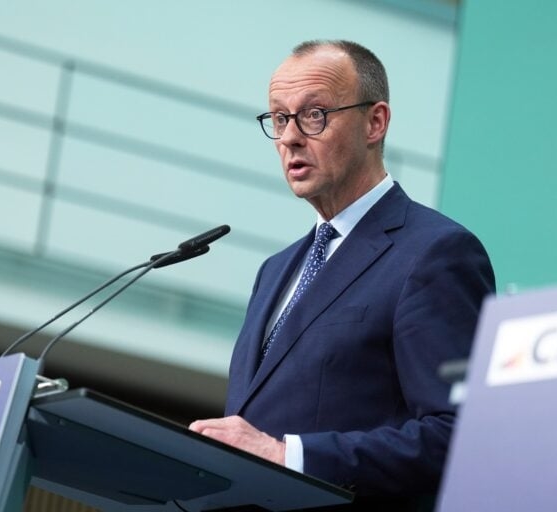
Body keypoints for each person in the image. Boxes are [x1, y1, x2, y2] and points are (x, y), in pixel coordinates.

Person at [190, 40, 495, 509]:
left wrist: (291, 456)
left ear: (375, 122)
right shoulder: (274, 271)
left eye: (314, 115)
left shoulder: (435, 253)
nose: (290, 138)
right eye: (280, 118)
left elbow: (458, 433)